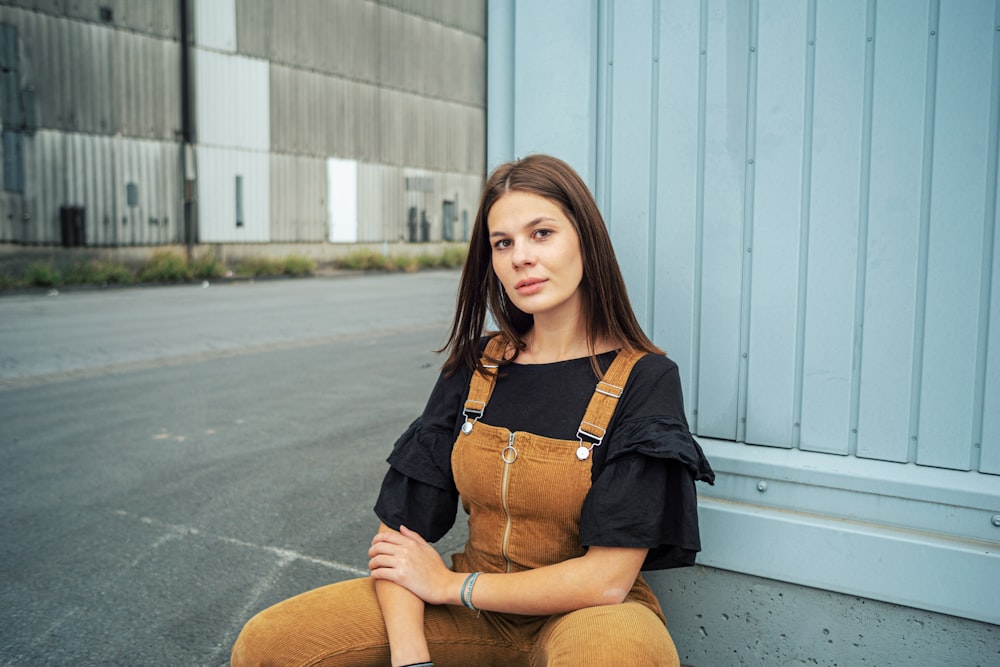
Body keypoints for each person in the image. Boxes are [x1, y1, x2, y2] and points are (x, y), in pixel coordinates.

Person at [231, 154, 715, 667]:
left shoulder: (646, 378)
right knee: (270, 644)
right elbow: (398, 539)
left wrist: (451, 585)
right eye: (502, 243)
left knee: (612, 655)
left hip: (586, 612)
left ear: (585, 240)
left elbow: (606, 580)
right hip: (469, 611)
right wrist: (411, 657)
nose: (520, 257)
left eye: (541, 233)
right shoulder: (474, 366)